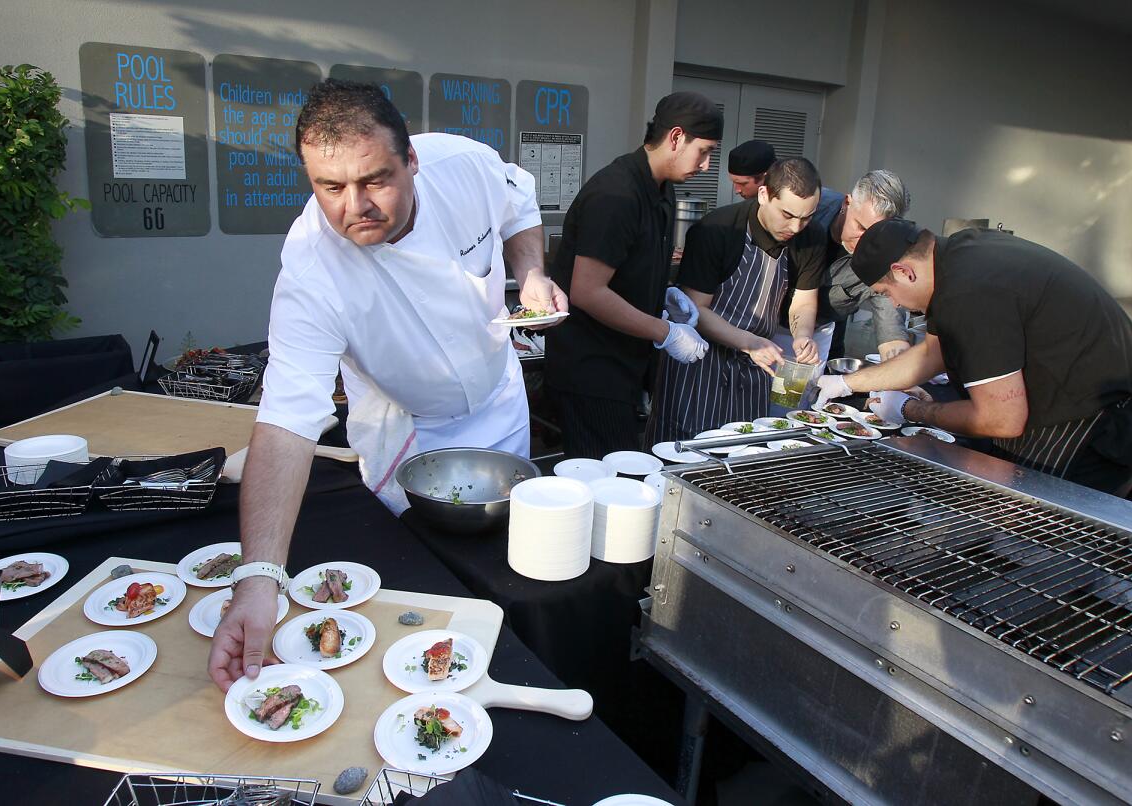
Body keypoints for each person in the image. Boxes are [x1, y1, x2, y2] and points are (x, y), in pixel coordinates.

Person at [209, 79, 566, 692]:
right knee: (421, 588)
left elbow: (521, 210)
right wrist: (259, 577)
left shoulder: (466, 166)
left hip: (500, 400)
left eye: (375, 180)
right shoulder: (311, 270)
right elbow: (286, 422)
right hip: (407, 433)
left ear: (413, 162)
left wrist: (529, 271)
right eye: (330, 187)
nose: (355, 207)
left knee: (509, 572)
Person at [815, 218, 1132, 501]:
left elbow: (1001, 420)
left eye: (886, 292)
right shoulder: (958, 255)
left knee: (1044, 549)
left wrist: (911, 410)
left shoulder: (969, 294)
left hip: (1099, 429)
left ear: (905, 271)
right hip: (1079, 405)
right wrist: (848, 382)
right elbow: (930, 354)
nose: (893, 304)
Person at [545, 92, 722, 459]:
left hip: (626, 365)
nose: (706, 166)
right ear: (676, 137)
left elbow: (631, 265)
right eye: (704, 151)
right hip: (592, 370)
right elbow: (588, 291)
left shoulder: (662, 191)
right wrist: (666, 332)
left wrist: (664, 294)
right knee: (609, 481)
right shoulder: (617, 193)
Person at [648, 158, 826, 442]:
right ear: (764, 194)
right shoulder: (718, 230)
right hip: (700, 358)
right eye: (788, 215)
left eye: (807, 217)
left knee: (745, 446)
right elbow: (696, 309)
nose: (796, 227)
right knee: (687, 447)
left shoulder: (811, 238)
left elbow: (803, 302)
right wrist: (748, 342)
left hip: (756, 364)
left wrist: (802, 335)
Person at [810, 170, 912, 361]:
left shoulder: (886, 259)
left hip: (824, 336)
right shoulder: (807, 210)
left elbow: (892, 333)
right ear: (847, 203)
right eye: (861, 228)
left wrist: (901, 373)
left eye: (876, 234)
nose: (865, 241)